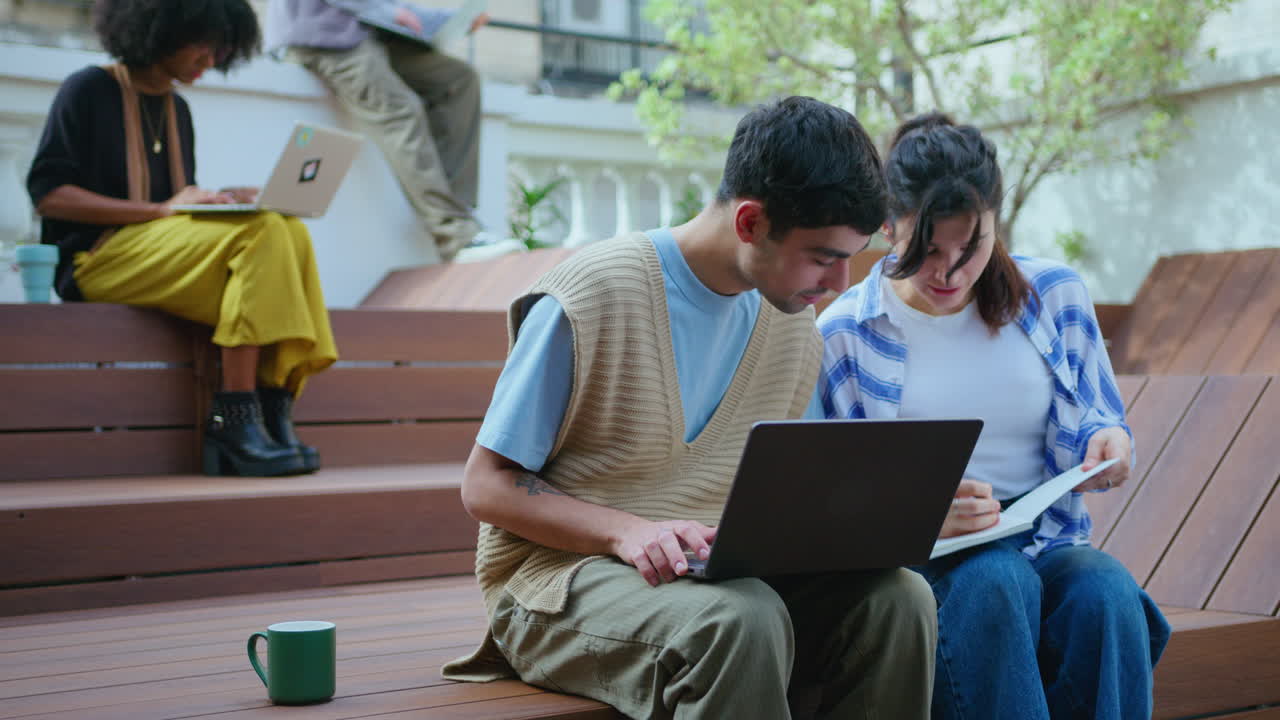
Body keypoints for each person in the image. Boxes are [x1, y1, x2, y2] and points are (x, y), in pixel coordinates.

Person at [441, 96, 938, 720]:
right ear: (751, 222)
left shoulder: (791, 327)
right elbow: (485, 487)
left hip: (708, 575)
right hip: (555, 584)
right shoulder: (593, 295)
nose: (840, 284)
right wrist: (628, 530)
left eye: (851, 257)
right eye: (823, 257)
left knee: (898, 599)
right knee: (740, 620)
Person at [817, 113, 1171, 719]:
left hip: (1045, 536)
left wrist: (1110, 442)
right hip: (922, 563)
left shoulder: (1052, 294)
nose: (949, 272)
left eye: (970, 246)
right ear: (887, 223)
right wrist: (923, 517)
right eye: (926, 250)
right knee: (995, 581)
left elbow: (1099, 418)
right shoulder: (845, 334)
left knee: (1107, 590)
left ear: (996, 221)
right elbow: (829, 505)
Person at [26, 0, 337, 477]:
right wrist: (161, 210)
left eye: (221, 51)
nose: (210, 61)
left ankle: (274, 409)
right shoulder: (88, 88)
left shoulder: (179, 109)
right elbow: (49, 195)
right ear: (161, 31)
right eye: (203, 46)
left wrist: (222, 198)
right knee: (264, 232)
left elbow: (175, 207)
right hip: (96, 261)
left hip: (153, 259)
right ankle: (234, 418)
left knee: (285, 228)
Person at [267, 0, 486, 261]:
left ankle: (455, 210)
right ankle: (455, 233)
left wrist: (447, 21)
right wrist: (391, 12)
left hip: (372, 34)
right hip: (325, 38)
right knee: (400, 109)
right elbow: (385, 8)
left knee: (459, 79)